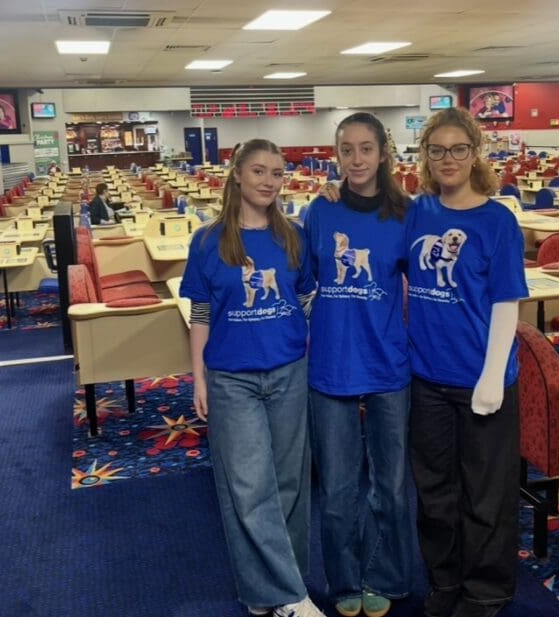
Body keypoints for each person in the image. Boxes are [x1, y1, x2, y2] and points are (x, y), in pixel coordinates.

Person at [179, 139, 323, 617]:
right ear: (237, 174)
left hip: (287, 370)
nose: (268, 181)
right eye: (259, 171)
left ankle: (268, 593)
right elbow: (200, 313)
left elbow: (305, 299)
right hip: (230, 378)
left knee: (288, 483)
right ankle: (293, 596)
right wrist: (198, 379)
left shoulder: (294, 236)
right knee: (247, 487)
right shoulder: (208, 240)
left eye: (277, 173)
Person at [404, 107, 528, 617]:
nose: (447, 159)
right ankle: (446, 579)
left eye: (458, 149)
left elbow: (506, 301)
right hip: (426, 377)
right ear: (425, 157)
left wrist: (493, 374)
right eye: (437, 150)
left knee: (486, 493)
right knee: (434, 491)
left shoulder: (497, 220)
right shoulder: (416, 211)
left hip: (483, 378)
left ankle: (486, 589)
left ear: (475, 154)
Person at [303, 112, 414, 617]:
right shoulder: (319, 212)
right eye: (346, 149)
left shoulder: (405, 213)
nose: (356, 159)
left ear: (383, 153)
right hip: (332, 361)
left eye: (365, 148)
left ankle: (386, 574)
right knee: (340, 487)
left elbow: (428, 286)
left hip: (388, 360)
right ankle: (345, 579)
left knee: (390, 483)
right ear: (336, 154)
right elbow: (301, 279)